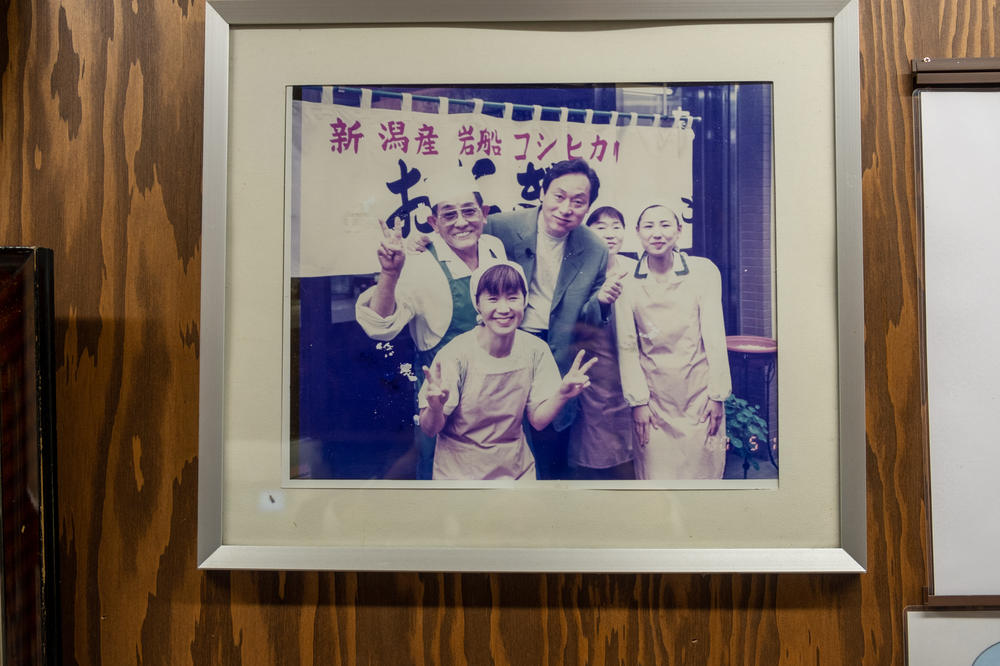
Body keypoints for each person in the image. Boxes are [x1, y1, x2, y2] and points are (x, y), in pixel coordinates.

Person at [355, 175, 507, 479]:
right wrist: (390, 273)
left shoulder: (494, 249)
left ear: (485, 214)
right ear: (433, 223)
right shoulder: (420, 262)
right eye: (449, 214)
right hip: (444, 406)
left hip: (497, 401)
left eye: (469, 211)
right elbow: (380, 326)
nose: (461, 222)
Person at [484, 158, 624, 479]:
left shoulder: (595, 248)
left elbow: (588, 322)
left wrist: (601, 301)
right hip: (504, 347)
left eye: (578, 202)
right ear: (543, 193)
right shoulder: (499, 227)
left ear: (588, 207)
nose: (566, 208)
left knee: (549, 450)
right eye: (558, 196)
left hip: (556, 355)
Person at [418, 262, 597, 480]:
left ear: (525, 300)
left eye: (513, 297)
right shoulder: (456, 354)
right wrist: (436, 407)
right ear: (477, 304)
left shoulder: (535, 349)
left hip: (516, 471)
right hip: (460, 475)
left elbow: (538, 421)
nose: (504, 309)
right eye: (492, 299)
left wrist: (562, 395)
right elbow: (430, 429)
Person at [616, 203, 732, 480]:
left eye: (665, 225)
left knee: (703, 476)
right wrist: (638, 402)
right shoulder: (626, 282)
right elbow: (627, 345)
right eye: (649, 226)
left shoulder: (703, 272)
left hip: (699, 395)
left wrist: (717, 395)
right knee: (657, 482)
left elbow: (715, 336)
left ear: (679, 231)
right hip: (655, 400)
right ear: (638, 233)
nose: (657, 233)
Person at [568, 206, 638, 479]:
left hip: (630, 361)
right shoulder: (580, 269)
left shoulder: (636, 268)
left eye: (616, 226)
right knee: (593, 434)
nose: (610, 234)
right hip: (595, 363)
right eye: (600, 226)